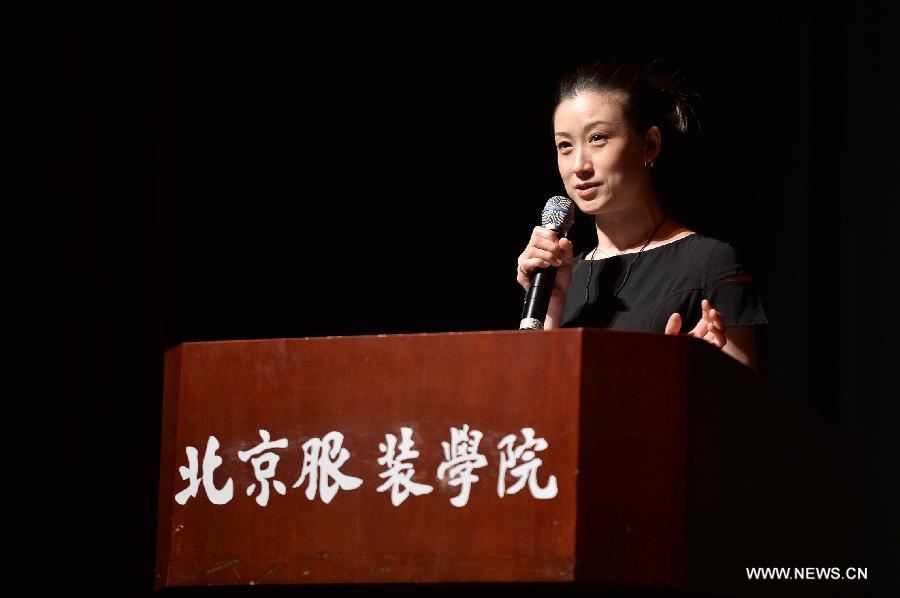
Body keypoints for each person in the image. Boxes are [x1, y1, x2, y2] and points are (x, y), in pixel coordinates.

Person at [516, 59, 767, 369]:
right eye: (565, 145)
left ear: (649, 144)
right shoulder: (561, 278)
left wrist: (703, 373)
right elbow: (534, 404)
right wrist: (552, 305)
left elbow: (746, 409)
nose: (579, 164)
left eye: (598, 138)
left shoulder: (709, 264)